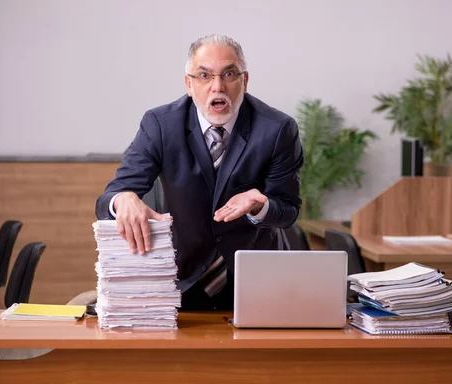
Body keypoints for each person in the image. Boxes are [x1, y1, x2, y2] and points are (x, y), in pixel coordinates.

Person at [95, 34, 303, 311]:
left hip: (258, 280)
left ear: (245, 80)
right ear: (189, 84)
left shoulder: (277, 129)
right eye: (204, 75)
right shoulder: (160, 124)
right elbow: (108, 199)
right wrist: (123, 200)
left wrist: (261, 205)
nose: (218, 87)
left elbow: (288, 211)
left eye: (229, 74)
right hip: (181, 278)